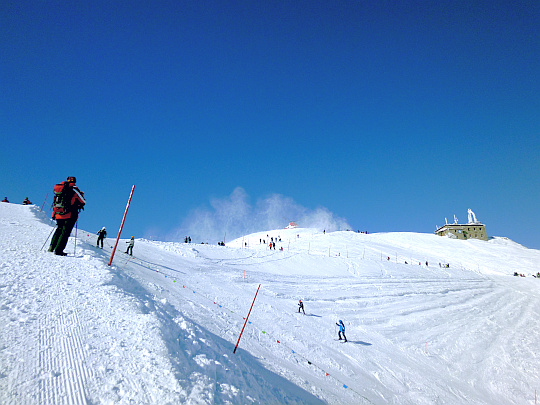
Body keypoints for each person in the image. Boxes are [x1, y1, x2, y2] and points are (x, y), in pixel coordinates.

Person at [48, 176, 85, 256]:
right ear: (74, 181)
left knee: (58, 230)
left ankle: (52, 247)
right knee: (65, 233)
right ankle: (58, 250)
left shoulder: (59, 189)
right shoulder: (74, 189)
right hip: (69, 215)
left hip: (58, 213)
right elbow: (83, 201)